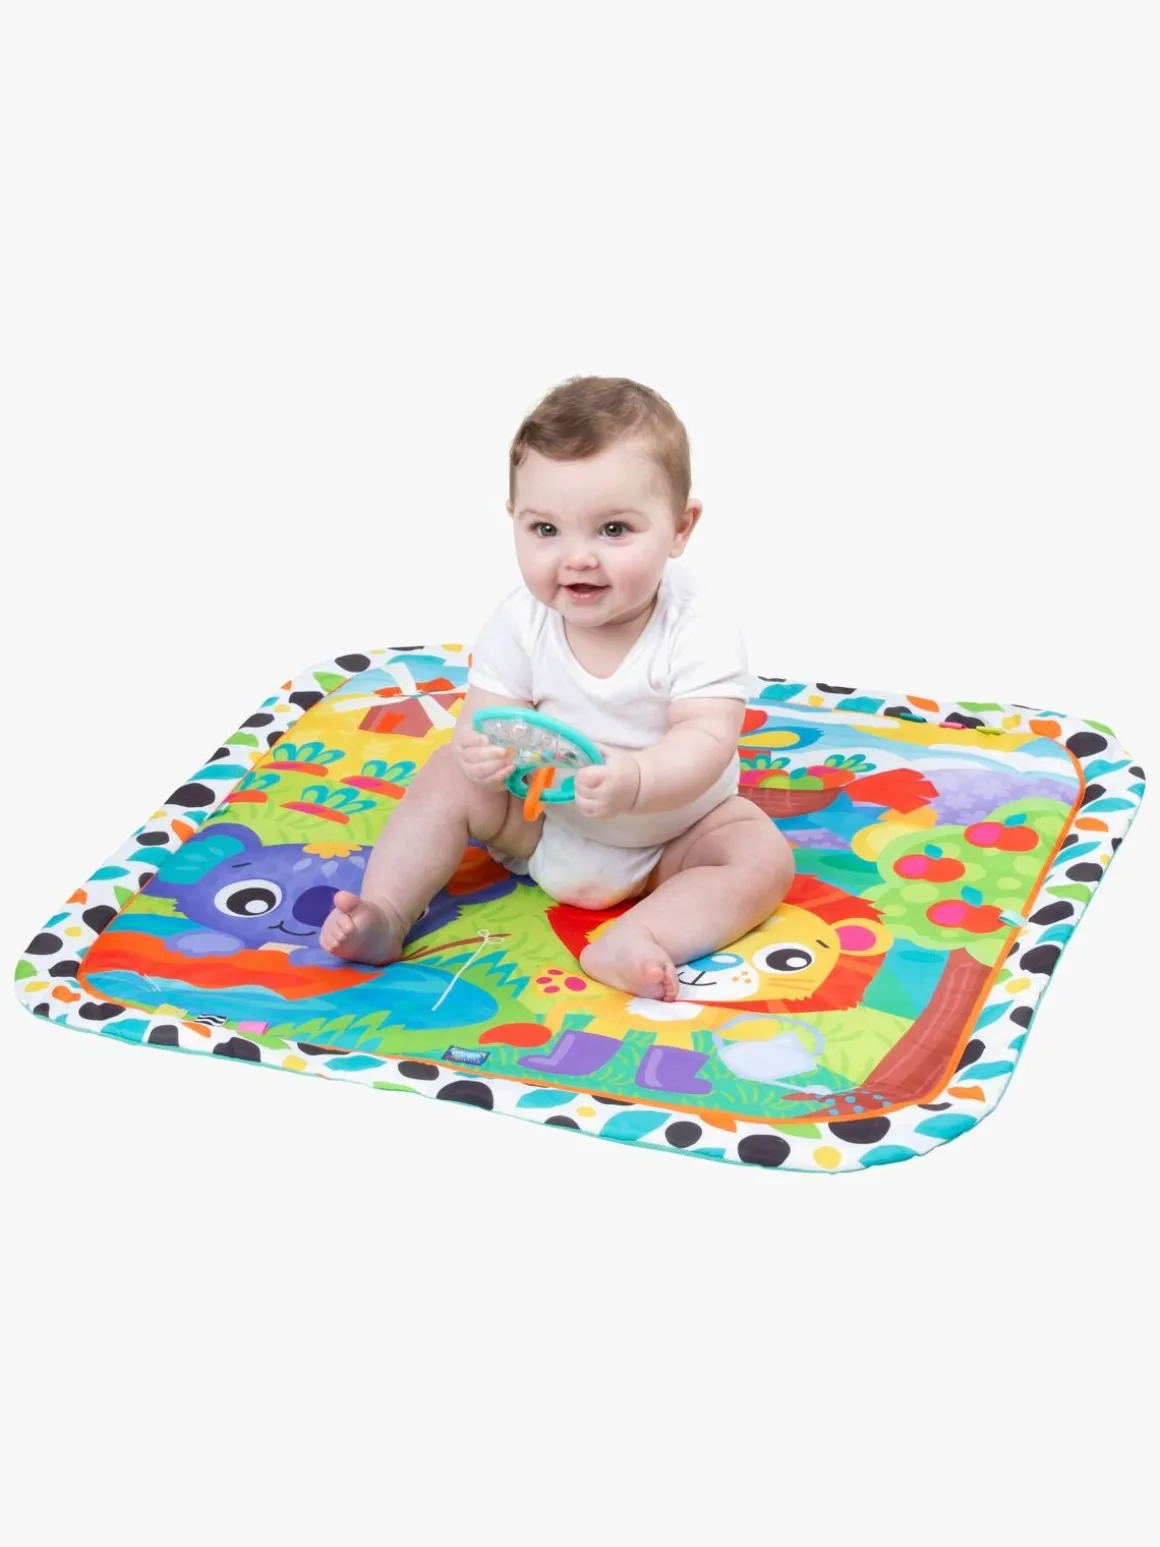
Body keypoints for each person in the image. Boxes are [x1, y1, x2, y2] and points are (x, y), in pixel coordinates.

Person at [319, 375, 794, 1000]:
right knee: (449, 773)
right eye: (546, 530)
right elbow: (488, 718)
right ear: (514, 520)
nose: (578, 558)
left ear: (681, 528)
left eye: (614, 530)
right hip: (541, 822)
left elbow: (707, 738)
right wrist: (479, 753)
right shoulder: (520, 622)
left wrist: (638, 780)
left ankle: (641, 936)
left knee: (761, 857)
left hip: (674, 838)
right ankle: (386, 911)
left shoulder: (698, 626)